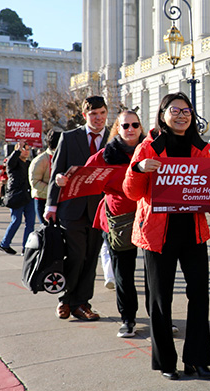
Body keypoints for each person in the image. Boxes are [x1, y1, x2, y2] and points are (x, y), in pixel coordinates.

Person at [123, 92, 210, 381]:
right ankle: (166, 362)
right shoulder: (149, 147)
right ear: (162, 115)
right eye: (174, 110)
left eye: (186, 110)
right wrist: (138, 169)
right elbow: (132, 192)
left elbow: (209, 188)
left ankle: (197, 360)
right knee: (161, 300)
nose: (181, 115)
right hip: (157, 235)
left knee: (199, 295)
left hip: (193, 232)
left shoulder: (201, 148)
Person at [45, 95, 109, 321]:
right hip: (71, 209)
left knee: (91, 258)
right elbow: (56, 172)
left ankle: (82, 303)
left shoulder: (113, 138)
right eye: (93, 114)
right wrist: (51, 205)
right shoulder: (70, 138)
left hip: (100, 211)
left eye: (102, 113)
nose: (98, 118)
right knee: (75, 255)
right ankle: (65, 299)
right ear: (85, 116)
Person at [86, 110, 145, 338]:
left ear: (141, 127)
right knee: (124, 272)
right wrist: (64, 178)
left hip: (150, 218)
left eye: (135, 125)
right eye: (125, 125)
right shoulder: (105, 155)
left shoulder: (151, 149)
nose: (130, 129)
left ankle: (160, 319)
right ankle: (128, 319)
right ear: (117, 129)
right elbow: (85, 176)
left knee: (154, 274)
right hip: (119, 218)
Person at [0, 142, 35, 255]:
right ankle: (4, 244)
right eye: (25, 149)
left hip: (28, 196)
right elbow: (9, 162)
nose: (27, 151)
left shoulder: (28, 163)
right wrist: (17, 150)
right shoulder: (13, 163)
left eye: (28, 149)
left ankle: (26, 247)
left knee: (30, 222)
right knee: (16, 221)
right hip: (16, 197)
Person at [30, 130, 60, 225]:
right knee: (47, 230)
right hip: (42, 199)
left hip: (59, 200)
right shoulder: (40, 160)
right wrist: (52, 191)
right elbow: (35, 182)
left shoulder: (63, 157)